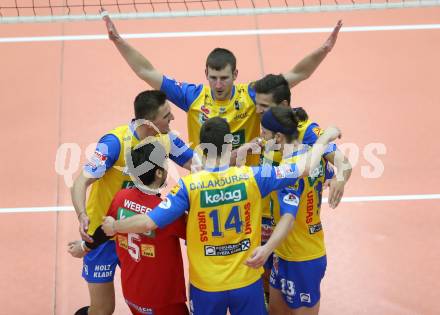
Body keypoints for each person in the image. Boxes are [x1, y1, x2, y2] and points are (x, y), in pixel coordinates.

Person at [101, 117, 341, 315]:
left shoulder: (188, 186)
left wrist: (115, 226)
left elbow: (148, 222)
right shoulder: (254, 177)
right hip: (246, 281)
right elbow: (305, 167)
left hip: (207, 286)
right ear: (229, 144)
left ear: (202, 148)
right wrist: (325, 136)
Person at [101, 10, 342, 164]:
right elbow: (146, 72)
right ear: (205, 73)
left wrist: (325, 50)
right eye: (213, 77)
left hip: (248, 178)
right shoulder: (192, 96)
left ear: (235, 74)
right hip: (207, 177)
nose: (218, 84)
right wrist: (118, 41)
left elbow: (298, 74)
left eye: (224, 78)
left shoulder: (251, 94)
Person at [70, 90, 196, 315]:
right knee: (102, 309)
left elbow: (200, 165)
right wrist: (81, 215)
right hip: (103, 231)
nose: (173, 118)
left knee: (145, 299)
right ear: (149, 121)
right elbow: (80, 182)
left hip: (137, 231)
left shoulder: (167, 138)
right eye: (167, 115)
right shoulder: (114, 143)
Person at [258, 106, 351, 315]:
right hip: (283, 253)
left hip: (304, 257)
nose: (261, 138)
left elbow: (289, 216)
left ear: (279, 137)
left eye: (264, 133)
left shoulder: (287, 169)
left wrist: (265, 250)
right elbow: (336, 167)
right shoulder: (310, 155)